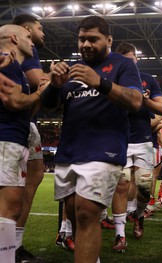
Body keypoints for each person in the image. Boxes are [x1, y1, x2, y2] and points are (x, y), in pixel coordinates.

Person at [40, 16, 143, 263]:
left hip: (104, 148)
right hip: (70, 151)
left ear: (108, 39)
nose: (86, 44)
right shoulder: (73, 69)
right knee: (76, 212)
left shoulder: (122, 65)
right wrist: (54, 85)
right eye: (82, 39)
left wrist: (100, 83)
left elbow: (136, 101)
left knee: (87, 212)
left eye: (93, 39)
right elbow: (50, 106)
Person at [112, 42, 162, 251]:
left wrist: (144, 102)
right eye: (125, 59)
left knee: (144, 189)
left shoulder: (148, 80)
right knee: (122, 185)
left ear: (137, 59)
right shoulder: (113, 80)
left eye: (132, 58)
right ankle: (119, 234)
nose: (129, 62)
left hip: (144, 141)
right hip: (120, 140)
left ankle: (138, 215)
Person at [0, 24, 40, 263]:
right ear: (14, 38)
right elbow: (14, 103)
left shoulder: (15, 68)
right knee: (9, 209)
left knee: (11, 208)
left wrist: (40, 95)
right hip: (5, 140)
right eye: (28, 36)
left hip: (13, 139)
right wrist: (40, 92)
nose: (32, 41)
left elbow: (25, 108)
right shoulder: (10, 65)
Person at [12, 13, 49, 261]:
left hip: (26, 122)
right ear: (26, 30)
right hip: (18, 123)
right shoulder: (26, 46)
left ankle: (14, 243)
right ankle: (11, 245)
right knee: (13, 188)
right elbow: (40, 81)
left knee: (35, 174)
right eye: (39, 27)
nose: (42, 32)